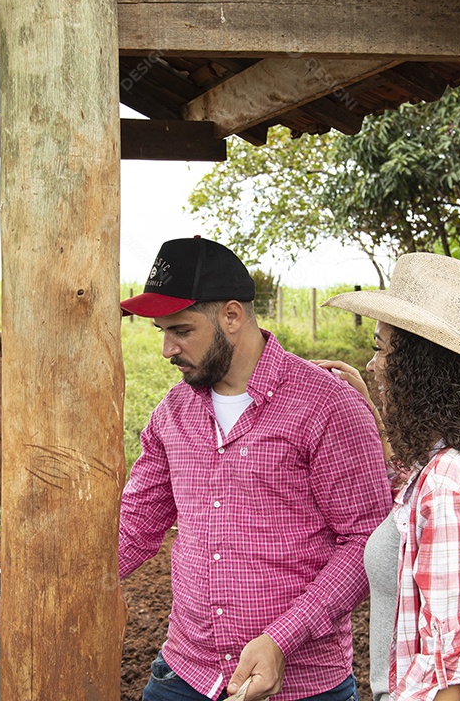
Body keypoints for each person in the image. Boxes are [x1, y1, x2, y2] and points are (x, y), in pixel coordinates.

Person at [119, 236, 392, 701]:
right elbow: (134, 525)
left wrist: (282, 637)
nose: (167, 349)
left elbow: (366, 541)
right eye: (161, 332)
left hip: (301, 686)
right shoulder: (173, 412)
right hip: (184, 674)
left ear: (231, 316)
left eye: (181, 330)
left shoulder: (328, 405)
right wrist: (41, 592)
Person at [320, 253, 460, 701]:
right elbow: (412, 499)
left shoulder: (446, 485)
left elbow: (450, 676)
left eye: (381, 348)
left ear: (422, 368)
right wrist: (376, 410)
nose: (371, 364)